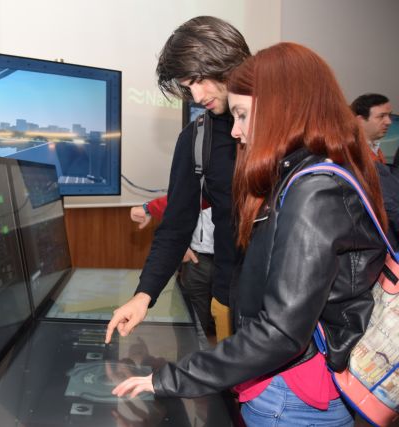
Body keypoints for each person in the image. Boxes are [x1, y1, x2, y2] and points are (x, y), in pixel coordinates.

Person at [111, 42, 388, 426]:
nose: (237, 133)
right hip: (282, 376)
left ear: (282, 108)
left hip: (289, 393)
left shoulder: (314, 189)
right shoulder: (319, 171)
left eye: (242, 116)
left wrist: (168, 379)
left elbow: (280, 332)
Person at [107, 16, 249, 345]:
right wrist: (144, 295)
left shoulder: (288, 127)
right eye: (188, 86)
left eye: (199, 79)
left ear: (227, 59)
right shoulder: (195, 140)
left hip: (291, 299)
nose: (197, 96)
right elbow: (176, 225)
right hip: (232, 297)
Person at [130, 196, 216, 335]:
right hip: (197, 259)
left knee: (229, 322)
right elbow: (189, 197)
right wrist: (184, 243)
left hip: (234, 262)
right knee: (190, 326)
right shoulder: (200, 182)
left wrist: (149, 208)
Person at [351, 93, 399, 242]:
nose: (389, 121)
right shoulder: (356, 156)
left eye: (389, 115)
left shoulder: (375, 150)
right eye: (381, 116)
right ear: (359, 120)